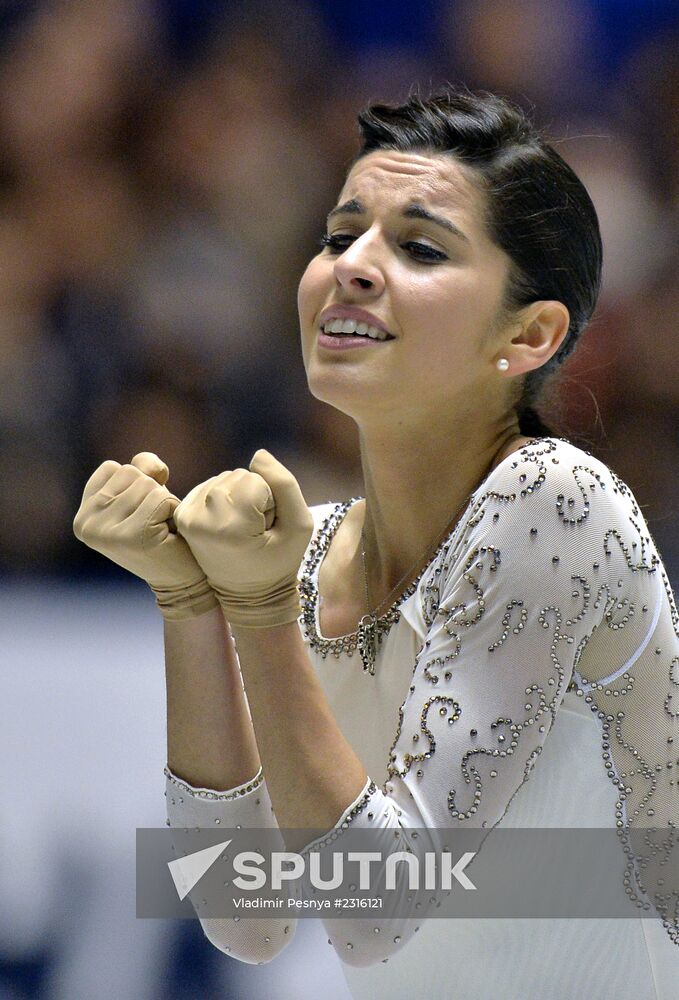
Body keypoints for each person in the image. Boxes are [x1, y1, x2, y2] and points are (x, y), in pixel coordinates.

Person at [73, 87, 679, 999]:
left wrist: (257, 606)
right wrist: (191, 602)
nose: (351, 265)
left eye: (420, 247)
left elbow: (373, 914)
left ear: (528, 334)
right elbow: (246, 917)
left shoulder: (557, 503)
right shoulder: (312, 553)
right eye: (338, 235)